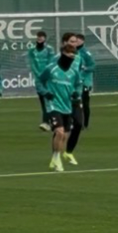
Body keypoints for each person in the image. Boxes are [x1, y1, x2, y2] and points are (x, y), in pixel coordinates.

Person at [41, 43, 82, 172]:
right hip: (53, 105)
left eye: (73, 56)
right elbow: (39, 81)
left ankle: (54, 157)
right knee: (59, 132)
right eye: (68, 55)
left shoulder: (73, 72)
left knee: (64, 135)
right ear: (62, 54)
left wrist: (77, 93)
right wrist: (45, 92)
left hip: (67, 106)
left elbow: (78, 85)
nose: (70, 59)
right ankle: (58, 159)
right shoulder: (51, 68)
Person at [65, 33, 90, 165]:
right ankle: (56, 154)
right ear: (65, 43)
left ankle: (68, 152)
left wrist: (79, 90)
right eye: (71, 41)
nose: (74, 44)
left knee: (79, 124)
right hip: (62, 97)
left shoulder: (79, 58)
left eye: (75, 42)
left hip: (76, 97)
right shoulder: (57, 59)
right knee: (62, 129)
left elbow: (79, 76)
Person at [27, 31, 56, 130]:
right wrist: (38, 75)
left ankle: (48, 121)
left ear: (45, 38)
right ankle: (48, 121)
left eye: (42, 37)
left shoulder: (49, 49)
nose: (40, 38)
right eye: (38, 37)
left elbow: (51, 62)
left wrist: (46, 74)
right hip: (39, 79)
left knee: (50, 99)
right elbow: (32, 63)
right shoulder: (32, 50)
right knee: (43, 100)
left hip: (49, 78)